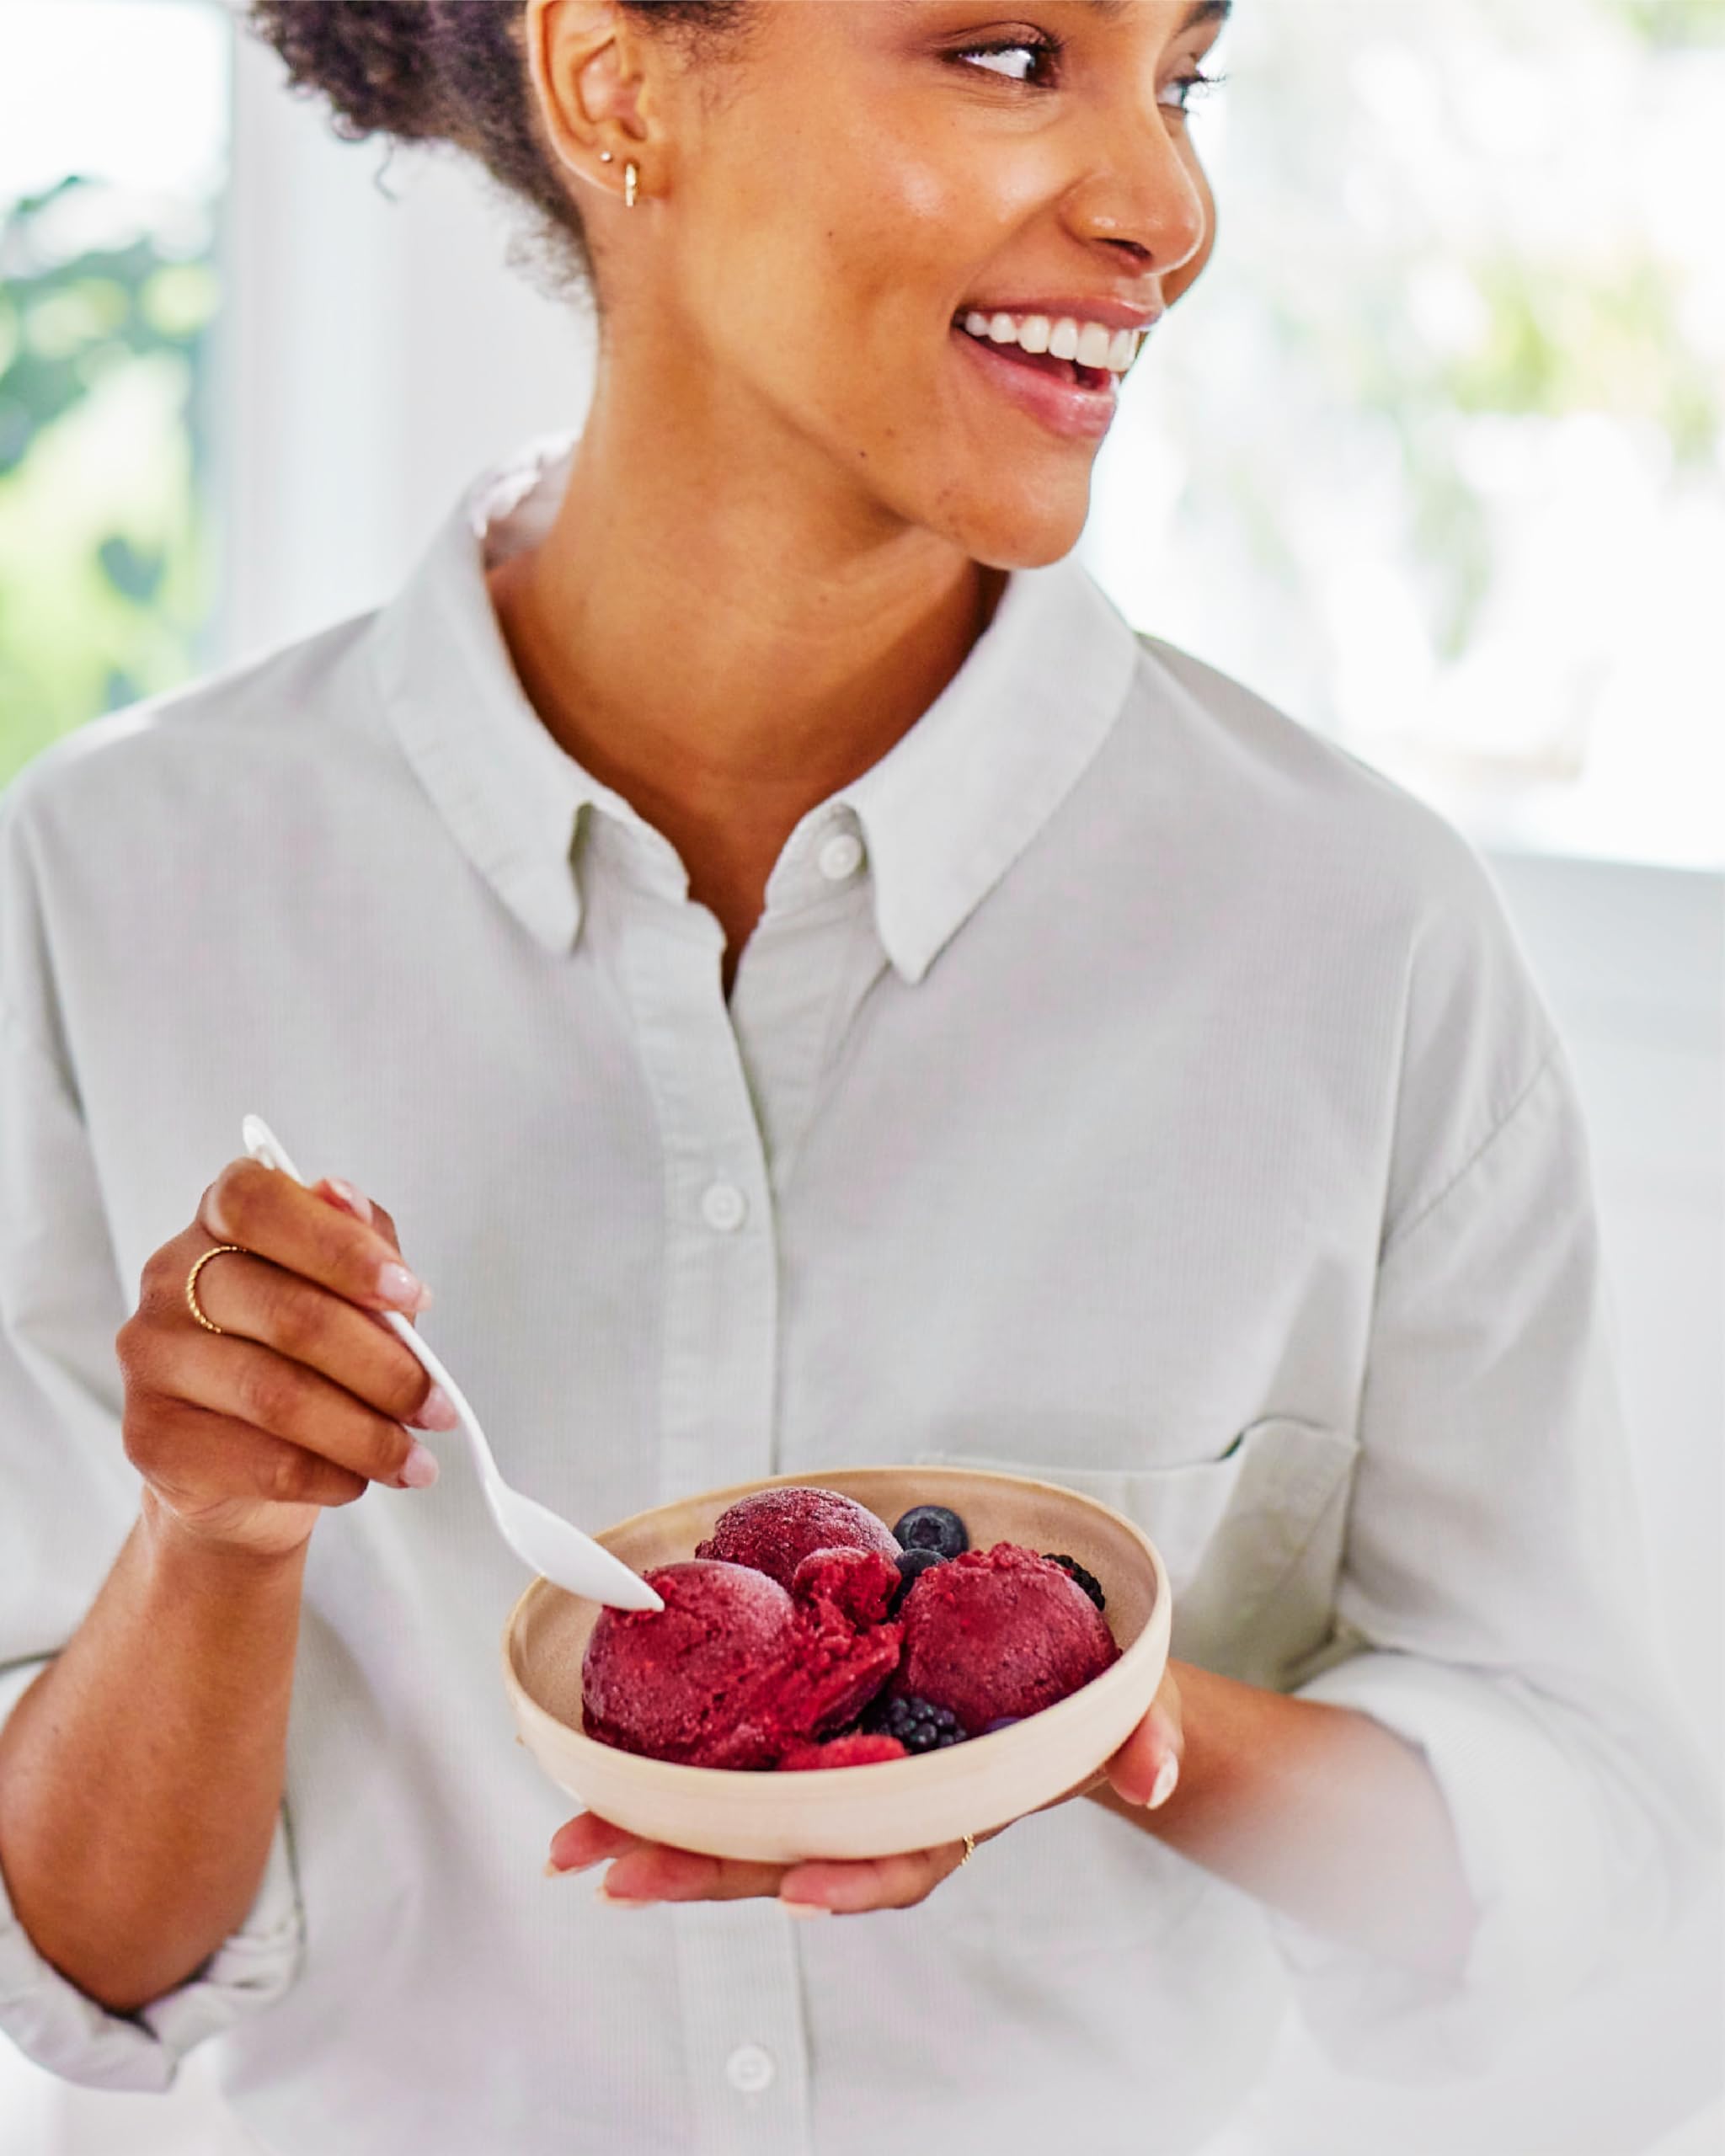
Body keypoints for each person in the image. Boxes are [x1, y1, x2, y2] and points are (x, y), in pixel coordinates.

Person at [0, 3, 1717, 2151]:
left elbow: (1584, 1843)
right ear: (614, 81)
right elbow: (83, 1966)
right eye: (1010, 55)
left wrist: (1098, 1721)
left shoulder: (1352, 932)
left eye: (1178, 79)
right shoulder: (121, 875)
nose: (1164, 206)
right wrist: (210, 1542)